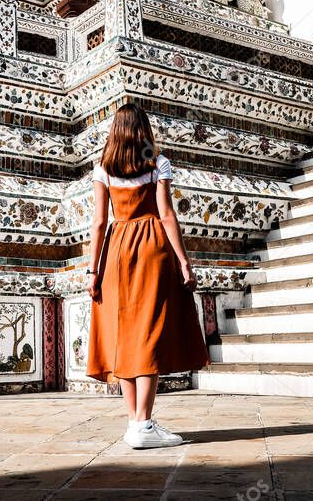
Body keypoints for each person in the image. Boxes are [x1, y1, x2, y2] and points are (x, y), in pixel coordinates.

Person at [86, 103, 210, 449]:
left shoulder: (103, 169)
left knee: (124, 334)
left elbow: (97, 222)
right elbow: (167, 215)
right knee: (149, 332)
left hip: (116, 249)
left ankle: (135, 422)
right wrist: (184, 261)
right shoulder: (158, 163)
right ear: (143, 129)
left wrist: (92, 270)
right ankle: (144, 422)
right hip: (153, 247)